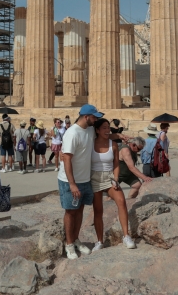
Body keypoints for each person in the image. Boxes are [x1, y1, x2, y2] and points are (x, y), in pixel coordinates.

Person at [58, 105, 106, 260]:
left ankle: (76, 239)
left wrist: (120, 137)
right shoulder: (72, 133)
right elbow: (66, 159)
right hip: (70, 180)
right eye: (94, 117)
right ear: (86, 117)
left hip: (85, 178)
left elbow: (104, 135)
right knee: (70, 212)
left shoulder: (90, 130)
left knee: (79, 210)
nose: (96, 119)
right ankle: (69, 244)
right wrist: (72, 184)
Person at [90, 118, 136, 251]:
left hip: (109, 177)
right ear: (97, 130)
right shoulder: (91, 144)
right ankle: (99, 241)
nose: (107, 130)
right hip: (94, 178)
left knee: (121, 201)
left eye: (108, 127)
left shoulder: (113, 145)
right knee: (98, 210)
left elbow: (116, 164)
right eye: (103, 128)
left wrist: (115, 178)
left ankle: (126, 236)